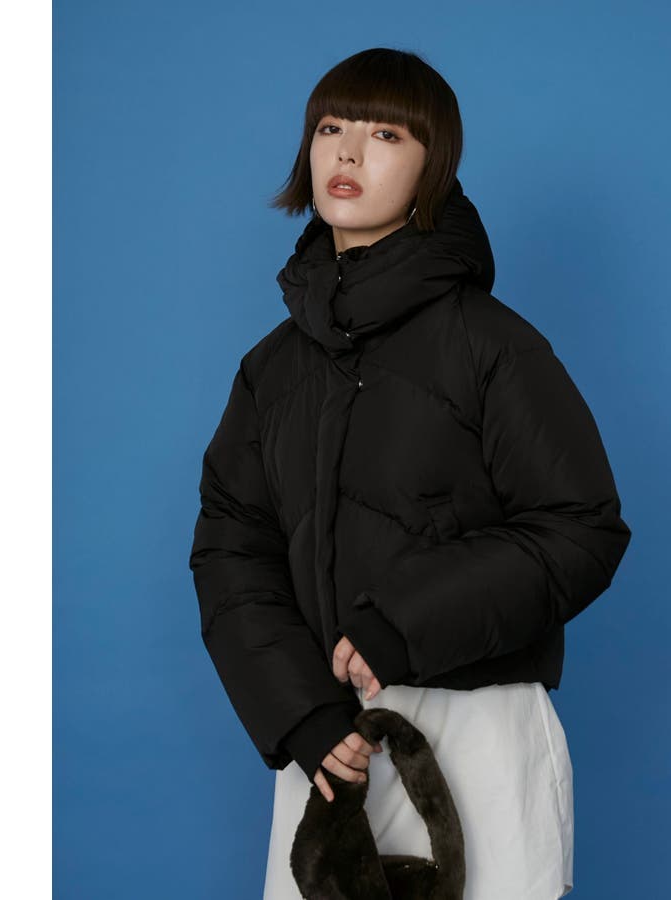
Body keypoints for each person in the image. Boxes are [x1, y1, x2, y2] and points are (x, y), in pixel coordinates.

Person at [189, 47, 631, 900]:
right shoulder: (270, 370)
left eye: (386, 134)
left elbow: (581, 527)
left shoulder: (493, 345)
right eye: (331, 128)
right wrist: (301, 715)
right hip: (329, 751)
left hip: (479, 736)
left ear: (435, 166)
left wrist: (402, 624)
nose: (349, 152)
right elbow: (230, 549)